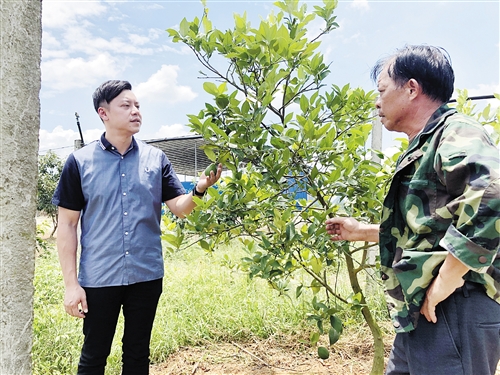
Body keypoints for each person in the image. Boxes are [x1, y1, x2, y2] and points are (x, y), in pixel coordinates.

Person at [326, 45, 500, 375]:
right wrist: (361, 231)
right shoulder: (426, 143)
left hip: (455, 305)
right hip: (426, 310)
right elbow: (434, 226)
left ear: (411, 89)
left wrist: (448, 278)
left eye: (381, 90)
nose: (377, 102)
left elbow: (493, 193)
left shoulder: (455, 132)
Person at [52, 80, 222, 375]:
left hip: (146, 274)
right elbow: (67, 224)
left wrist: (199, 189)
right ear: (103, 113)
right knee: (93, 357)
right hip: (99, 277)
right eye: (126, 105)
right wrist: (71, 285)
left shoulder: (156, 160)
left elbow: (179, 209)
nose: (135, 112)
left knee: (138, 355)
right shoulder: (79, 162)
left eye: (138, 106)